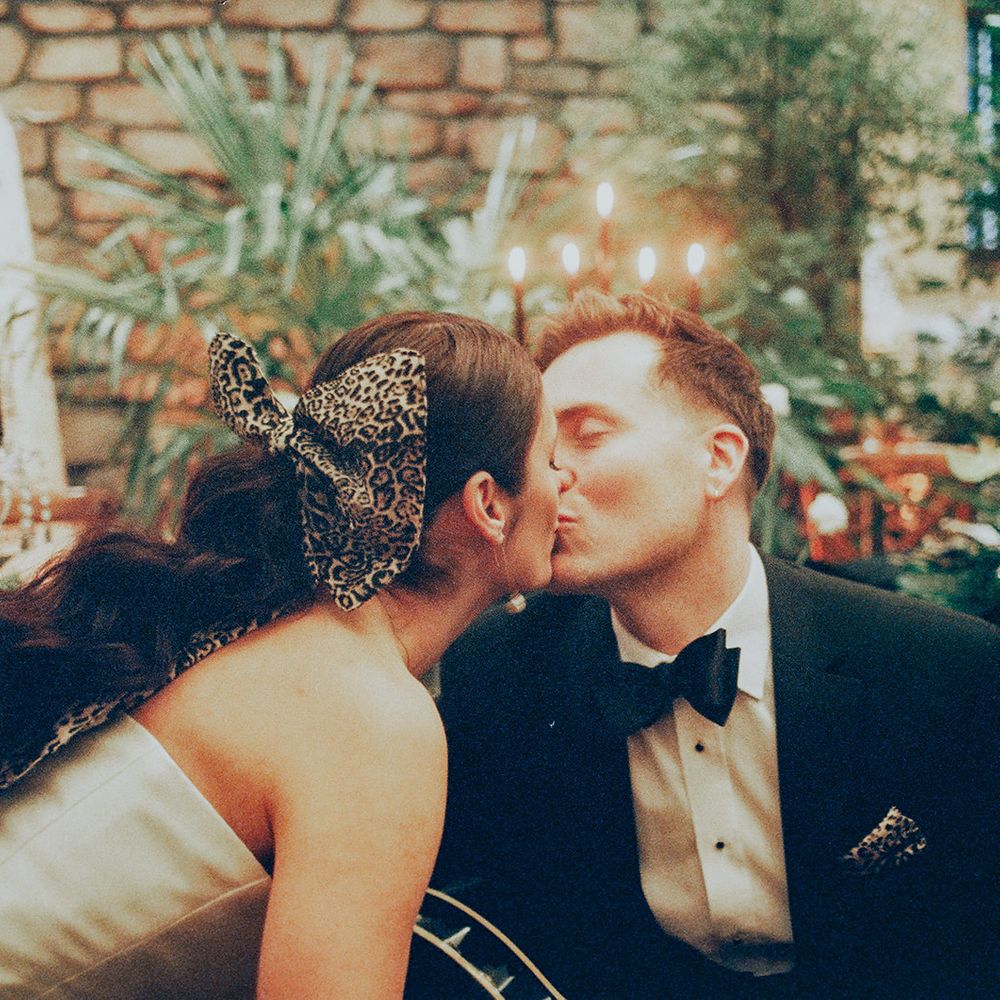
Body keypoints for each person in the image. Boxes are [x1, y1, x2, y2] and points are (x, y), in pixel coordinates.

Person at [436, 292, 1000, 1000]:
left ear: (719, 459)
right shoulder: (498, 670)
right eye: (543, 452)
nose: (547, 479)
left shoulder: (941, 670)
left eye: (587, 435)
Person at [0, 311, 565, 999]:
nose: (566, 482)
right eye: (550, 459)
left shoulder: (265, 626)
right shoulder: (370, 719)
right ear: (488, 505)